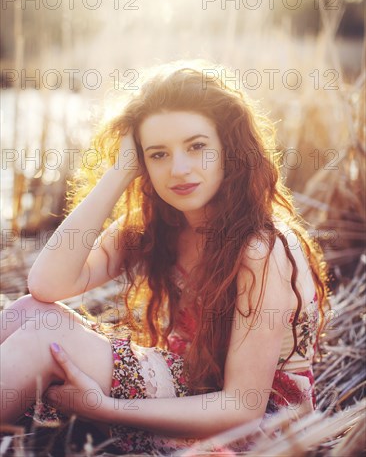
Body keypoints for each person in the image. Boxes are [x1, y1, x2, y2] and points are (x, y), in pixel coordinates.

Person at [0, 60, 329, 454]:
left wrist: (108, 409)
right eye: (158, 154)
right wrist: (119, 174)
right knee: (26, 313)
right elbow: (46, 285)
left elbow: (242, 407)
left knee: (41, 337)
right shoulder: (154, 224)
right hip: (190, 385)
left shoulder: (260, 249)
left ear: (230, 147)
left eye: (197, 146)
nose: (180, 169)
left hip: (259, 429)